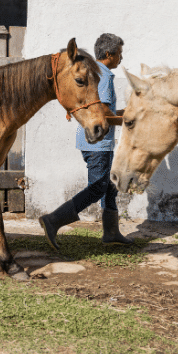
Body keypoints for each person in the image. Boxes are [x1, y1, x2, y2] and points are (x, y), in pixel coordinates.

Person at [39, 33, 132, 251]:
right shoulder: (105, 76)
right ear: (108, 54)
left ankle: (111, 232)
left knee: (109, 186)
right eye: (119, 54)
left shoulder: (95, 71)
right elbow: (105, 116)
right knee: (98, 188)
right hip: (98, 143)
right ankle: (53, 220)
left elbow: (103, 111)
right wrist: (128, 121)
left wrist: (124, 113)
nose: (121, 58)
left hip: (91, 142)